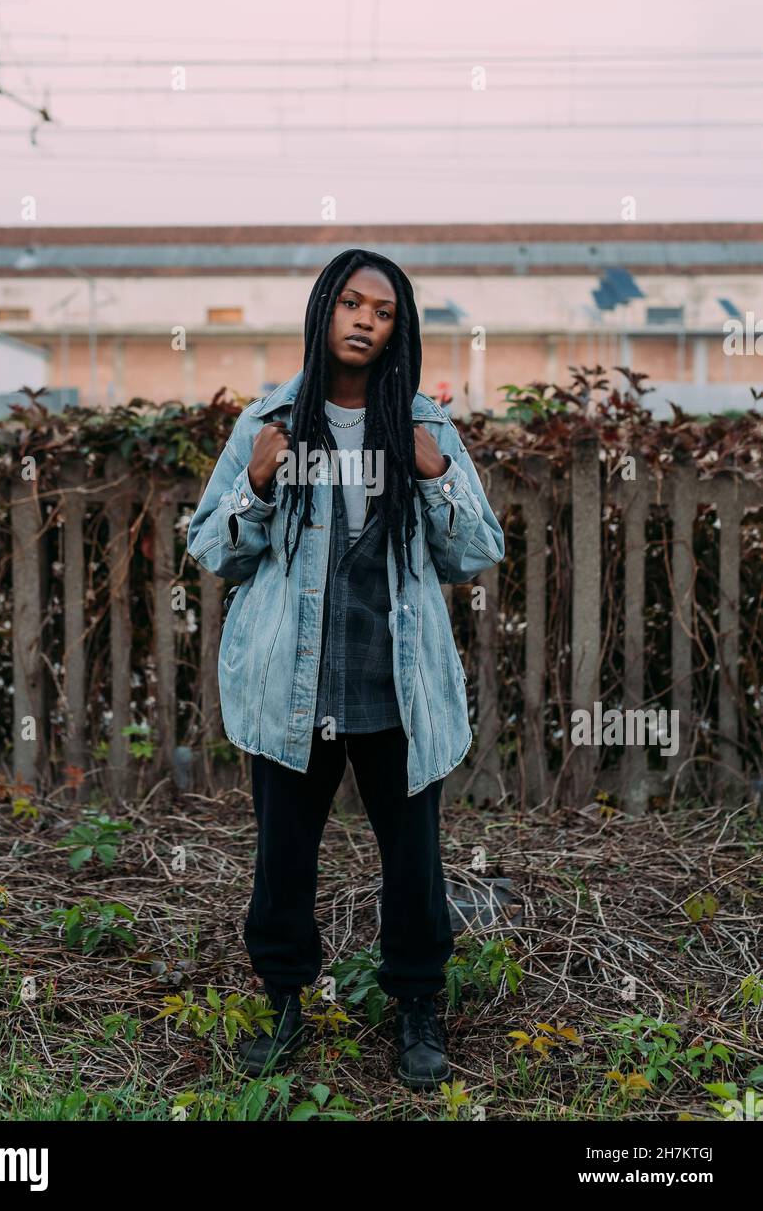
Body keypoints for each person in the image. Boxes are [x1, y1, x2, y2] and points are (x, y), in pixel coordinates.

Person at [186, 247, 505, 1087]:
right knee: (283, 857)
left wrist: (435, 477)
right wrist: (255, 481)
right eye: (354, 303)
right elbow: (213, 548)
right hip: (293, 688)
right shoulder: (272, 421)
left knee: (415, 860)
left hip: (396, 685)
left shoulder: (428, 428)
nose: (367, 320)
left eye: (386, 311)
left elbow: (476, 548)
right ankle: (285, 1002)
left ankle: (418, 1010)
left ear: (400, 330)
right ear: (324, 310)